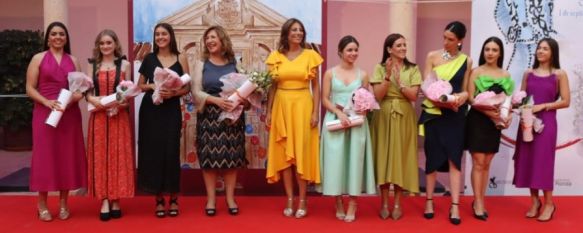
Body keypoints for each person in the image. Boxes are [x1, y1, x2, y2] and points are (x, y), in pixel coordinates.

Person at [25, 21, 86, 222]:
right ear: (48, 38)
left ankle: (63, 204)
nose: (58, 37)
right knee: (45, 157)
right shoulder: (38, 58)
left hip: (69, 115)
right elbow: (30, 88)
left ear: (66, 38)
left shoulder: (74, 60)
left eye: (61, 34)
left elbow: (79, 89)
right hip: (45, 113)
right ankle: (41, 204)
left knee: (66, 157)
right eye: (54, 34)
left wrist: (73, 99)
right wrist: (46, 102)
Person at [265, 18, 323, 218]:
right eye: (294, 30)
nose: (298, 33)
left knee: (301, 154)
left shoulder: (311, 55)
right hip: (281, 105)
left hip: (303, 105)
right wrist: (269, 111)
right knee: (285, 156)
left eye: (300, 30)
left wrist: (316, 112)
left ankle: (303, 199)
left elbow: (316, 86)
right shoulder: (276, 56)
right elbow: (272, 86)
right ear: (286, 34)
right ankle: (290, 198)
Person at [418, 21, 472, 225]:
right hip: (434, 114)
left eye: (451, 39)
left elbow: (466, 90)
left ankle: (455, 205)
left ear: (460, 41)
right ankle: (429, 201)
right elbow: (426, 86)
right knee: (432, 158)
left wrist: (460, 97)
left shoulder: (467, 61)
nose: (446, 42)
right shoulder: (432, 56)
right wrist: (439, 100)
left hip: (455, 115)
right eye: (444, 38)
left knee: (454, 160)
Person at [191, 26, 247, 216]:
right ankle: (211, 200)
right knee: (209, 160)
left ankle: (230, 198)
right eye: (207, 38)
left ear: (222, 40)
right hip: (209, 117)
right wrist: (216, 101)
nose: (209, 41)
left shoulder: (235, 63)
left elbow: (247, 88)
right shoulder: (201, 63)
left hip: (233, 117)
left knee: (232, 159)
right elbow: (196, 91)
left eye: (213, 37)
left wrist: (243, 99)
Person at [319, 35, 376, 222]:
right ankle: (338, 202)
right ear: (340, 52)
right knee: (335, 162)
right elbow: (325, 98)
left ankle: (353, 203)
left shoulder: (363, 75)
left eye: (356, 50)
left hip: (357, 124)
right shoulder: (330, 73)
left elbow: (365, 98)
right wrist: (338, 112)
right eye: (349, 50)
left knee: (354, 162)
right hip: (335, 121)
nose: (353, 53)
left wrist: (364, 109)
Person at [513, 38, 570, 222]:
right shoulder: (528, 73)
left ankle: (549, 204)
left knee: (543, 163)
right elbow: (522, 98)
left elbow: (565, 101)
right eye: (539, 48)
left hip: (547, 123)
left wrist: (543, 106)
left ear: (553, 52)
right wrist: (520, 106)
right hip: (528, 121)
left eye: (545, 48)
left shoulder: (559, 74)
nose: (540, 51)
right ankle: (534, 202)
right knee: (529, 161)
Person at [137, 23, 190, 218]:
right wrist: (154, 87)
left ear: (171, 36)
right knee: (153, 153)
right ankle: (158, 199)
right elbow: (139, 86)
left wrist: (173, 92)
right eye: (157, 34)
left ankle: (173, 197)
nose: (160, 37)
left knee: (171, 152)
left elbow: (188, 87)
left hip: (171, 110)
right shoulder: (149, 58)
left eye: (164, 34)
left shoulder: (180, 57)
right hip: (151, 111)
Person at [370, 33, 421, 220]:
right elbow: (378, 96)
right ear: (389, 49)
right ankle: (383, 202)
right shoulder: (379, 68)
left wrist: (400, 83)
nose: (403, 48)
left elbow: (414, 96)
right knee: (384, 156)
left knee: (402, 157)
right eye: (398, 45)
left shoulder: (413, 68)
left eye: (404, 45)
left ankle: (398, 202)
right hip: (383, 114)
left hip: (405, 114)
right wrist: (388, 76)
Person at [85, 29, 134, 221]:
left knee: (117, 156)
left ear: (115, 44)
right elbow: (87, 93)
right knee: (101, 157)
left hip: (118, 117)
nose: (105, 46)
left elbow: (127, 93)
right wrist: (93, 100)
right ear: (98, 46)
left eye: (109, 42)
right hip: (98, 117)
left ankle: (116, 198)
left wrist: (120, 104)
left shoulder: (125, 64)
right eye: (102, 43)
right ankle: (104, 198)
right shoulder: (92, 65)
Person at [466, 36, 513, 221]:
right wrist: (488, 112)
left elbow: (508, 100)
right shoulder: (476, 72)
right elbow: (470, 98)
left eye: (494, 50)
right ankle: (478, 202)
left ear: (500, 53)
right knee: (478, 162)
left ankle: (480, 199)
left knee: (487, 164)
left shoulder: (505, 75)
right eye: (487, 49)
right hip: (478, 120)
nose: (490, 53)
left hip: (495, 123)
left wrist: (506, 116)